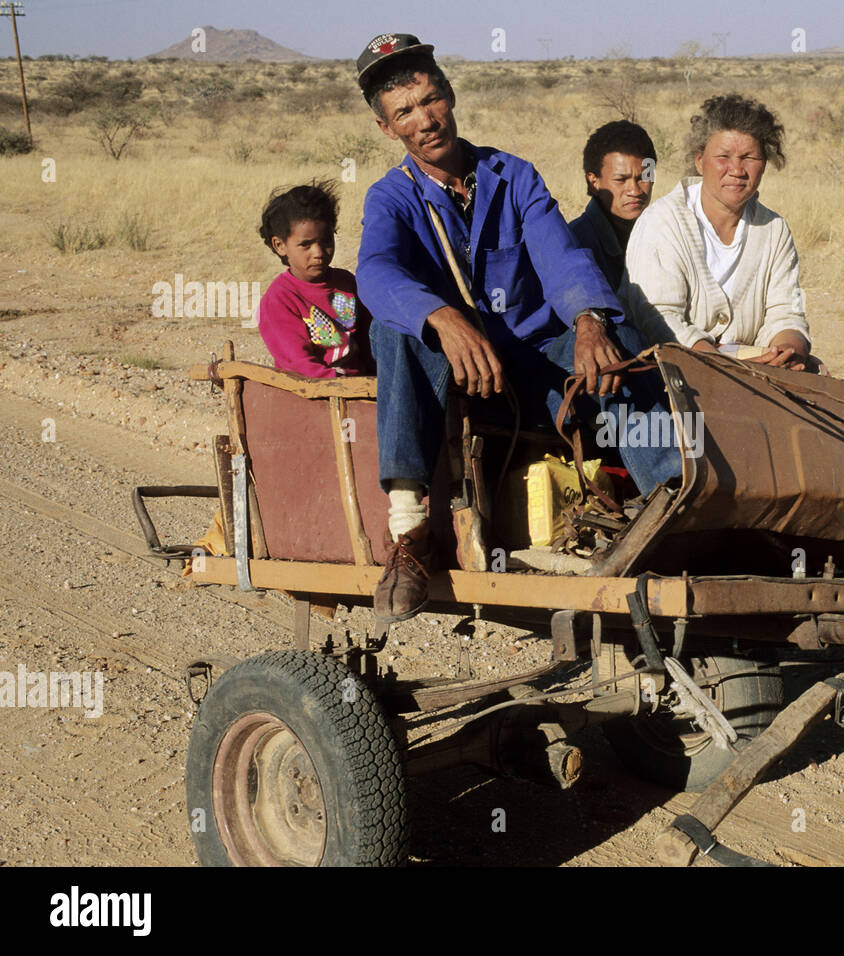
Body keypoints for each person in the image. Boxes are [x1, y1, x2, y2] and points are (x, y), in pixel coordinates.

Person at [353, 33, 680, 623]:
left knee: (619, 343)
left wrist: (586, 320)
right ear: (387, 128)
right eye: (405, 113)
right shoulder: (391, 198)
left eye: (431, 100)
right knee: (396, 329)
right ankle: (409, 534)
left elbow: (560, 255)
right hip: (455, 383)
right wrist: (442, 316)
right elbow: (375, 273)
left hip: (532, 368)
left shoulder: (513, 176)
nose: (425, 120)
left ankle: (671, 508)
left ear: (450, 96)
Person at [623, 93, 815, 372]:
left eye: (749, 157)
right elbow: (658, 318)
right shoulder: (662, 222)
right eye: (723, 157)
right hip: (668, 373)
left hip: (754, 370)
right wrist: (719, 363)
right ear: (700, 161)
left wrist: (788, 350)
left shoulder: (774, 230)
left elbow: (786, 311)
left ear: (765, 162)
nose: (736, 170)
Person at [255, 180, 374, 377]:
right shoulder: (280, 299)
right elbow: (298, 365)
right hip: (316, 394)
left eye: (326, 240)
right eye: (306, 244)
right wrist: (344, 390)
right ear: (280, 245)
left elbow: (370, 341)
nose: (318, 252)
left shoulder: (346, 283)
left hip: (361, 387)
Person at [568, 120, 656, 295]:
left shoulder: (663, 231)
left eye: (642, 178)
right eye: (621, 180)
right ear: (594, 182)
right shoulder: (576, 245)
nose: (635, 191)